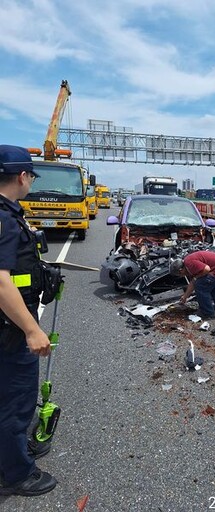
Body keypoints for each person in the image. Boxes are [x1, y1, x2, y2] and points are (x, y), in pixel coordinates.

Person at [0, 145, 57, 496]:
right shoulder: (5, 220)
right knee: (16, 403)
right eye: (32, 176)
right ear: (23, 176)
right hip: (10, 331)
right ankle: (18, 474)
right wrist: (32, 329)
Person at [170, 251, 215, 319]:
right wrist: (185, 296)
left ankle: (207, 313)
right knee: (211, 283)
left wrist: (197, 277)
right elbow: (193, 282)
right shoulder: (188, 264)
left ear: (181, 270)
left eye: (181, 275)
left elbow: (206, 269)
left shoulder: (189, 263)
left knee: (201, 285)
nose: (182, 276)